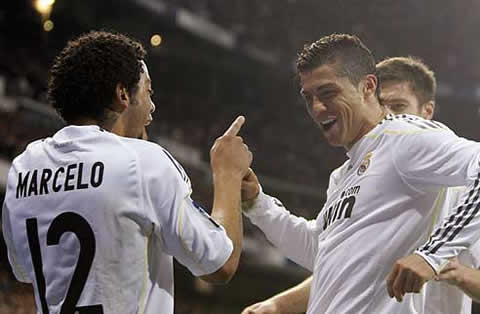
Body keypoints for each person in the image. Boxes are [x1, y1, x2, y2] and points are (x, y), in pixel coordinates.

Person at [1, 30, 252, 314]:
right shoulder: (144, 161)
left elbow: (24, 270)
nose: (152, 105)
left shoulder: (24, 167)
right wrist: (227, 173)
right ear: (123, 94)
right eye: (148, 91)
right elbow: (220, 263)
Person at [240, 33, 480, 313]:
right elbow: (320, 252)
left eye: (328, 93)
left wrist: (432, 254)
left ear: (367, 87)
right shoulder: (343, 174)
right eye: (309, 98)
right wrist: (257, 204)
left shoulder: (404, 137)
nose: (317, 108)